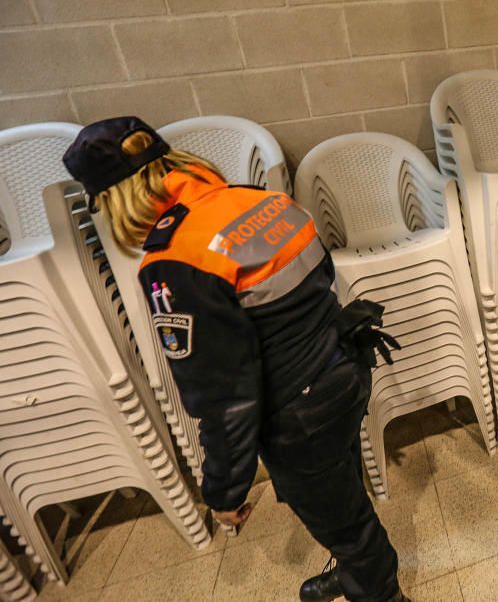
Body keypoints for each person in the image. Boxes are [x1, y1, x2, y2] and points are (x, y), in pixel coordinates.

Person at [61, 117, 408, 602]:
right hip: (346, 369)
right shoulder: (260, 201)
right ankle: (350, 570)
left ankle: (378, 590)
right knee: (340, 485)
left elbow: (224, 396)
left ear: (116, 199)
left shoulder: (175, 261)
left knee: (350, 524)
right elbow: (321, 280)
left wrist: (223, 493)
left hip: (300, 412)